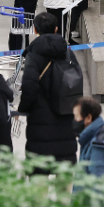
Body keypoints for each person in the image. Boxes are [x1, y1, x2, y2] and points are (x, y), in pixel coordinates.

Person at [17, 12, 78, 163]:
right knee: (64, 182)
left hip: (40, 125)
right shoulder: (68, 53)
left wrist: (22, 109)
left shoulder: (33, 55)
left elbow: (29, 86)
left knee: (40, 181)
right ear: (56, 29)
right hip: (66, 120)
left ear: (35, 30)